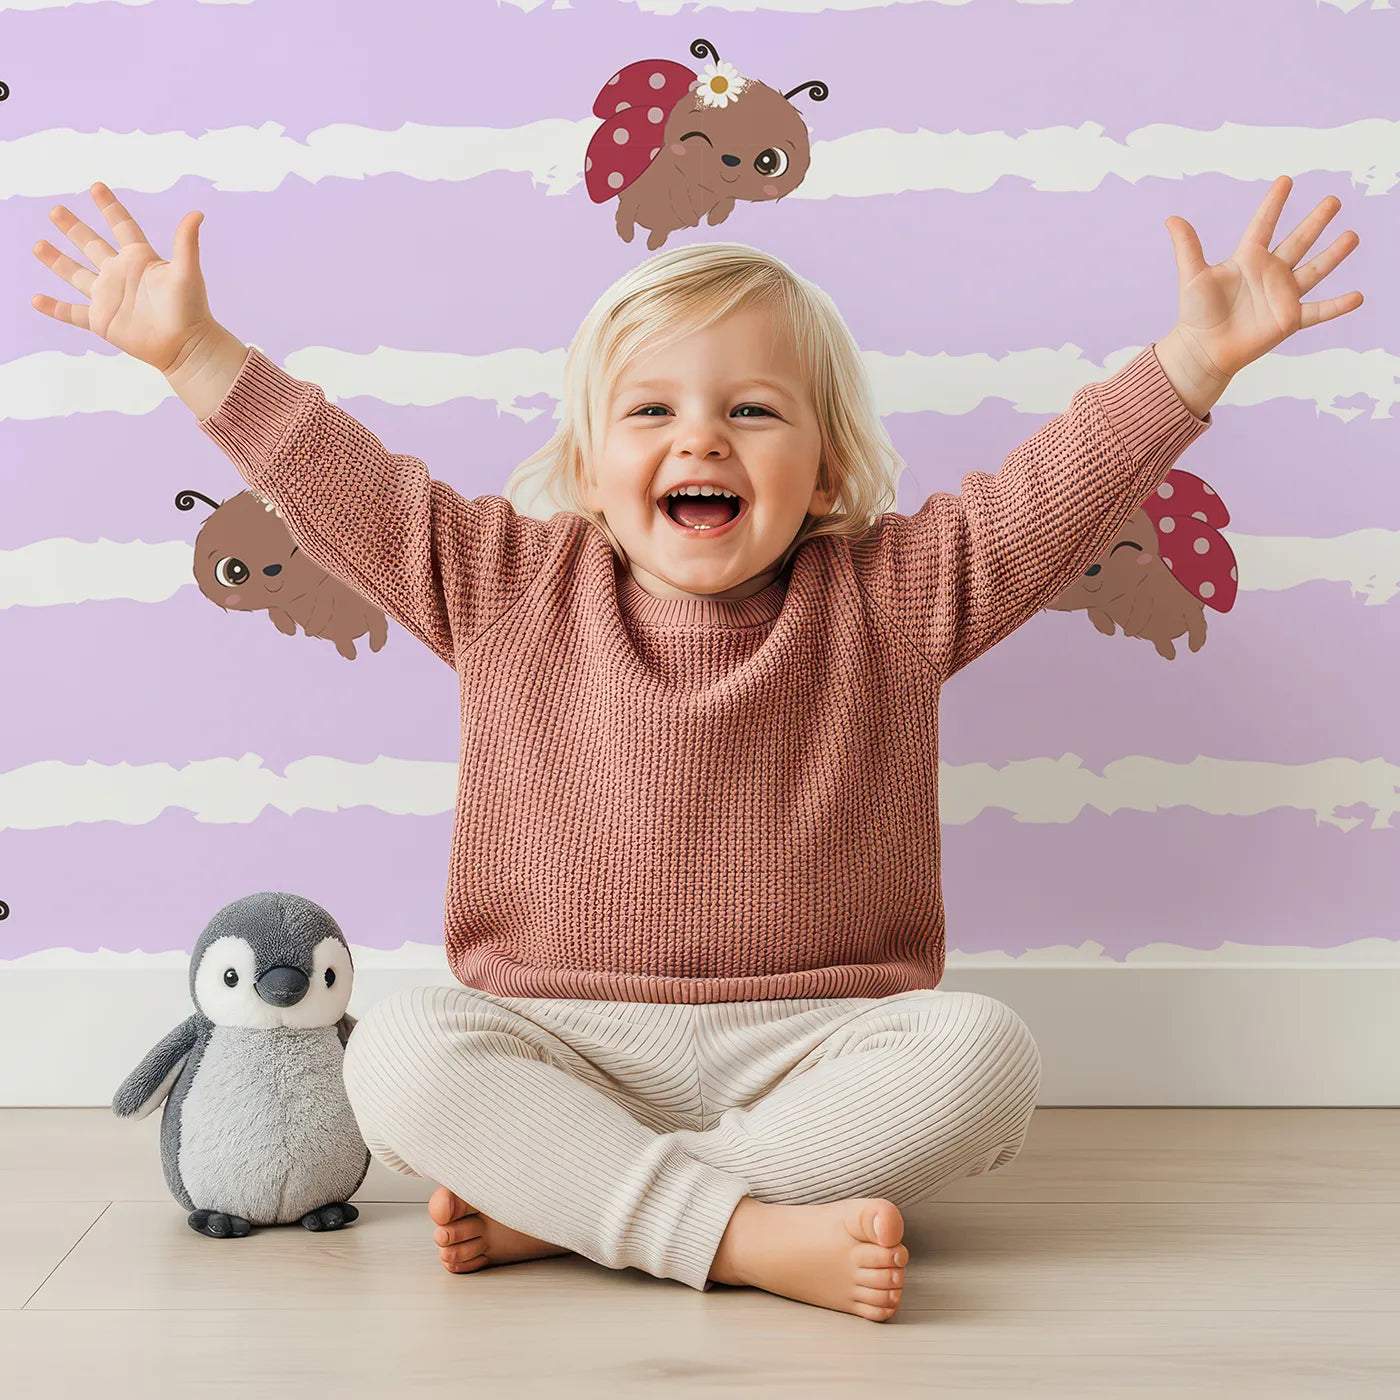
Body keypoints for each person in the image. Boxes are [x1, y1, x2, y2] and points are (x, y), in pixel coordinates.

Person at [30, 177, 1361, 1322]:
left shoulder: (896, 595)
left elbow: (1049, 491)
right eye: (652, 412)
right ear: (589, 464)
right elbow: (343, 482)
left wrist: (1190, 366)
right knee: (396, 1058)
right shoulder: (501, 582)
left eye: (754, 413)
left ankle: (582, 1210)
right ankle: (740, 1235)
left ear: (830, 469)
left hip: (815, 1050)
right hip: (555, 1040)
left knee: (986, 1056)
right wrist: (192, 349)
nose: (701, 438)